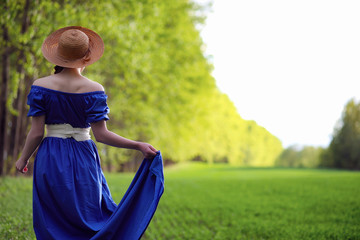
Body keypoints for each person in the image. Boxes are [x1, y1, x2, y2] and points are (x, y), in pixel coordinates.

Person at [15, 26, 164, 240]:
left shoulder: (40, 86)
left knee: (52, 217)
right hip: (85, 156)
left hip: (51, 156)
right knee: (91, 212)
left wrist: (23, 158)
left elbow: (37, 132)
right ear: (87, 57)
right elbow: (102, 135)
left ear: (57, 55)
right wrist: (138, 145)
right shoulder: (95, 89)